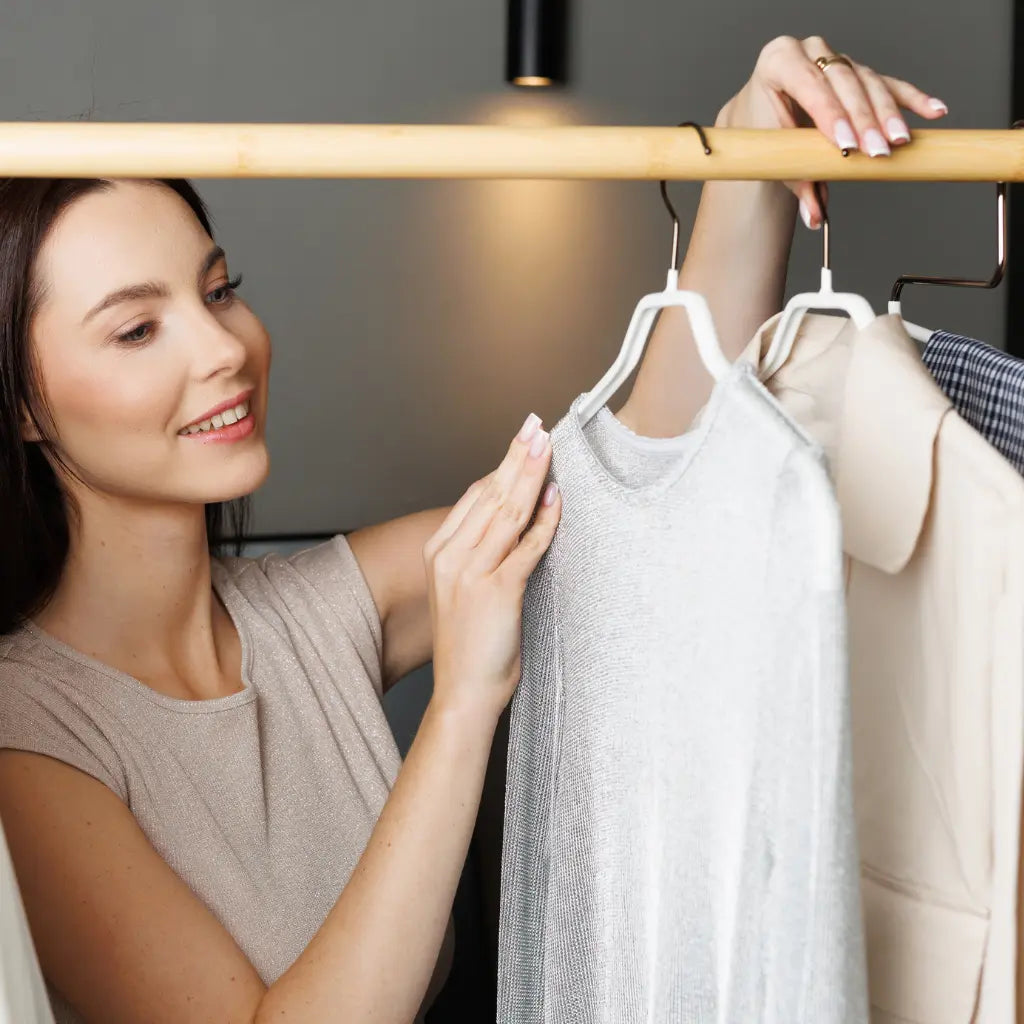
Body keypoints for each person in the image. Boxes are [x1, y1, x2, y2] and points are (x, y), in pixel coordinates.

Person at [0, 35, 946, 1024]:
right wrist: (461, 705)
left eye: (219, 291)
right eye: (136, 330)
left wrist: (749, 151)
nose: (223, 349)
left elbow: (642, 485)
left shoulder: (313, 614)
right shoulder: (29, 741)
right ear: (20, 402)